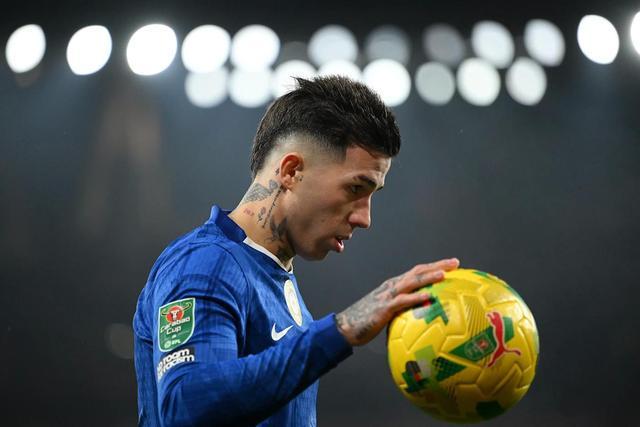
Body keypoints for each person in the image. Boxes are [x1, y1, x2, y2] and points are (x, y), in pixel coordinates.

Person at [133, 76, 459, 427]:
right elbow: (187, 408)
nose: (364, 218)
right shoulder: (206, 264)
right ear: (291, 171)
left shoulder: (271, 274)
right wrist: (341, 330)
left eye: (372, 195)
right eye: (355, 188)